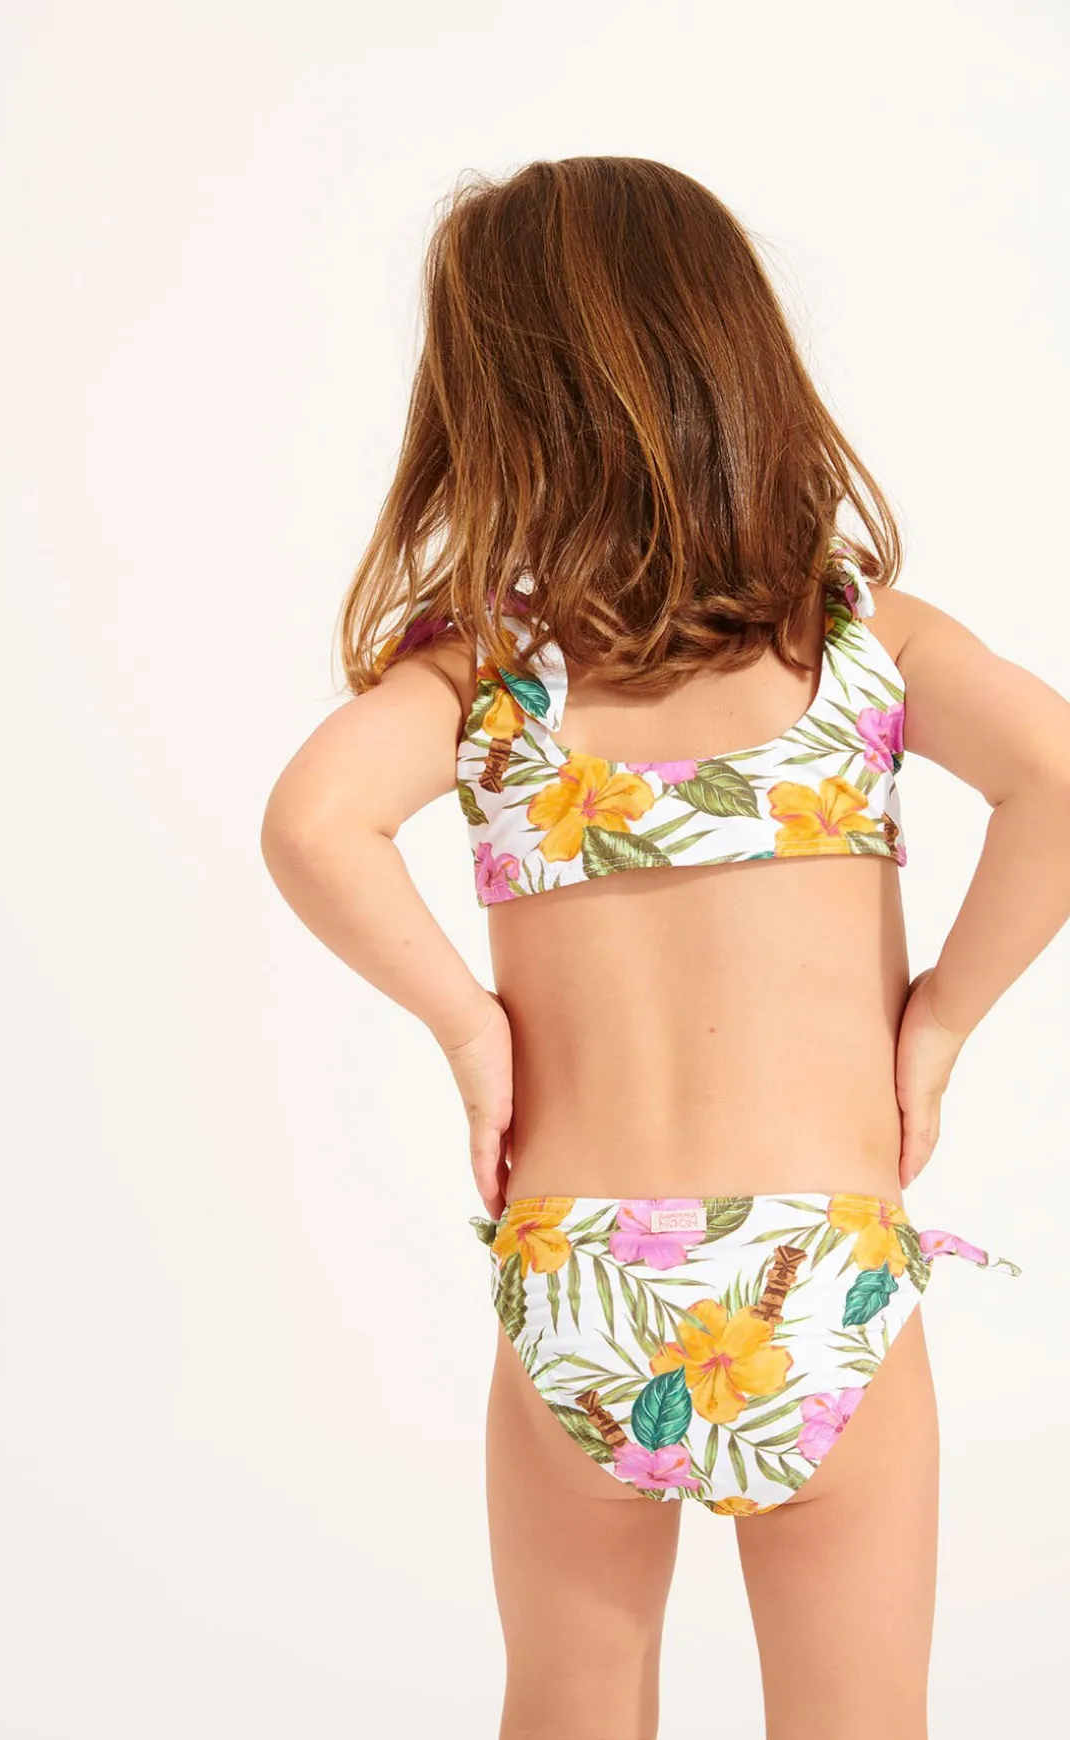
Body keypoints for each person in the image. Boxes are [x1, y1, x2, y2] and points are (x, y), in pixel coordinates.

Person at [260, 157, 1063, 1740]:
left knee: (569, 1699)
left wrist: (470, 1027)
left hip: (581, 1275)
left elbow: (312, 824)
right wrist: (942, 1022)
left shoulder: (489, 678)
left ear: (488, 413)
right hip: (819, 1276)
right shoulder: (858, 644)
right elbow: (1058, 776)